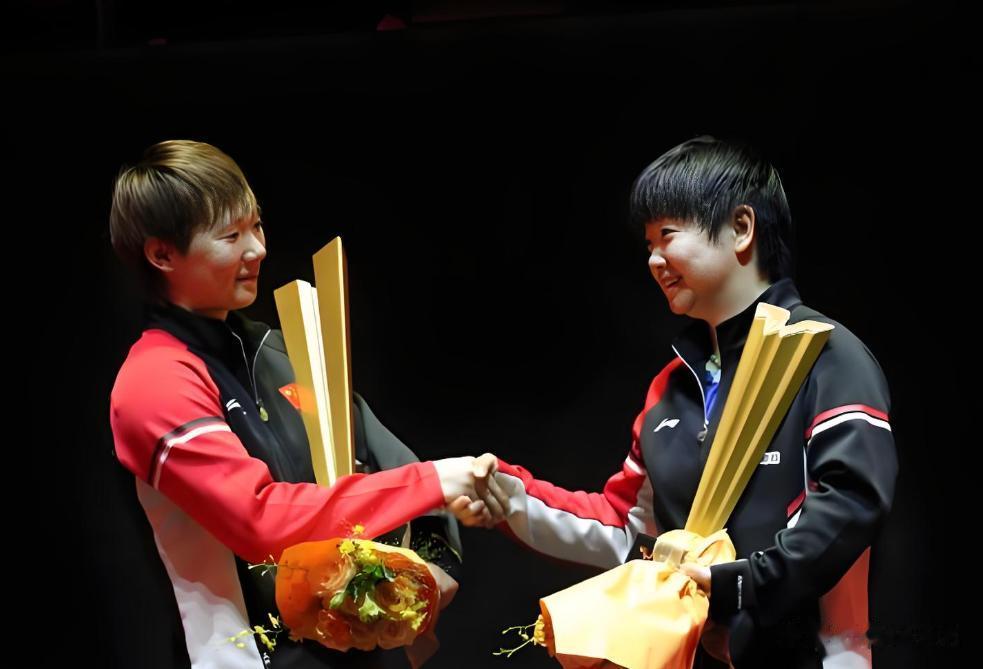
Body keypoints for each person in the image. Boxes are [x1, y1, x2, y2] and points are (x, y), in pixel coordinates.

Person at [475, 137, 897, 668]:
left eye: (668, 235)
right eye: (648, 244)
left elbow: (852, 501)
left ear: (741, 228)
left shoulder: (825, 354)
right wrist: (509, 497)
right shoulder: (670, 386)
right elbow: (626, 527)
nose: (654, 260)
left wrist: (742, 585)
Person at [108, 139, 506, 668]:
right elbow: (258, 520)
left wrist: (430, 574)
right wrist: (435, 481)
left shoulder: (283, 350)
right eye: (231, 235)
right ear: (162, 255)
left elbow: (400, 469)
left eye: (257, 225)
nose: (257, 249)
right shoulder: (154, 381)